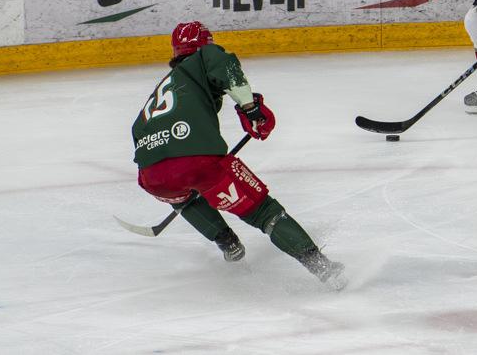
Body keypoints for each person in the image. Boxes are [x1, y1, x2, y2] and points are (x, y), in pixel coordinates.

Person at [131, 21, 346, 289]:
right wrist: (250, 108)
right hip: (198, 159)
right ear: (204, 44)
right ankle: (323, 268)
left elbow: (138, 131)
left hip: (151, 174)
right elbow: (227, 68)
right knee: (265, 212)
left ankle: (228, 243)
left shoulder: (166, 86)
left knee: (184, 198)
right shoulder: (203, 56)